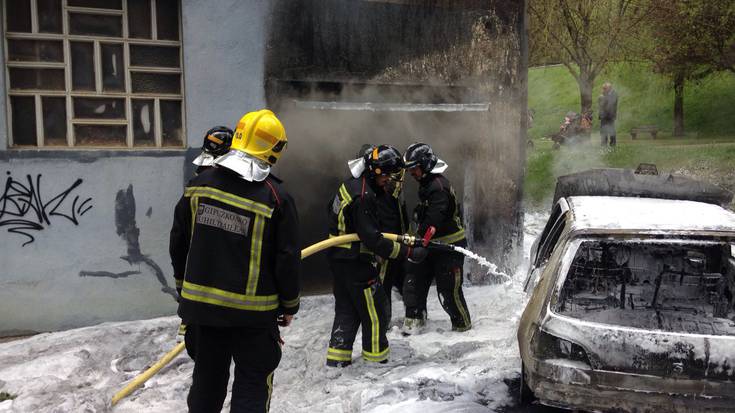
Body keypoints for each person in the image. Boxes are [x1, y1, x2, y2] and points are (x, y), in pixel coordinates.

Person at [170, 109, 300, 413]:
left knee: (206, 382)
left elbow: (179, 243)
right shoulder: (276, 198)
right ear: (272, 149)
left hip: (203, 313)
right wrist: (289, 305)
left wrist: (184, 291)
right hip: (253, 318)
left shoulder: (197, 186)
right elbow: (288, 259)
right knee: (253, 385)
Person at [326, 145, 427, 367]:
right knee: (376, 311)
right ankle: (375, 361)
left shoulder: (351, 184)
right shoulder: (364, 196)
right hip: (357, 263)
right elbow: (373, 239)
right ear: (377, 172)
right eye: (388, 176)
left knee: (346, 310)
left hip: (339, 262)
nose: (389, 181)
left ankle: (337, 361)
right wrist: (408, 251)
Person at [402, 142, 472, 334]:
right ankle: (413, 327)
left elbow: (434, 221)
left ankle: (463, 329)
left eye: (414, 168)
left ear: (425, 165)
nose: (411, 173)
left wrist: (420, 243)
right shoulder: (427, 184)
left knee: (448, 292)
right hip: (431, 246)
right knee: (413, 284)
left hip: (448, 248)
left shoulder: (438, 187)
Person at [598, 82, 619, 147]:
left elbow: (610, 104)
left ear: (609, 88)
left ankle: (612, 144)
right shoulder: (604, 94)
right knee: (603, 131)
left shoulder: (614, 94)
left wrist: (603, 97)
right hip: (603, 116)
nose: (603, 90)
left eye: (605, 88)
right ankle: (604, 144)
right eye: (603, 88)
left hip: (610, 116)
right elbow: (600, 105)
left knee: (611, 131)